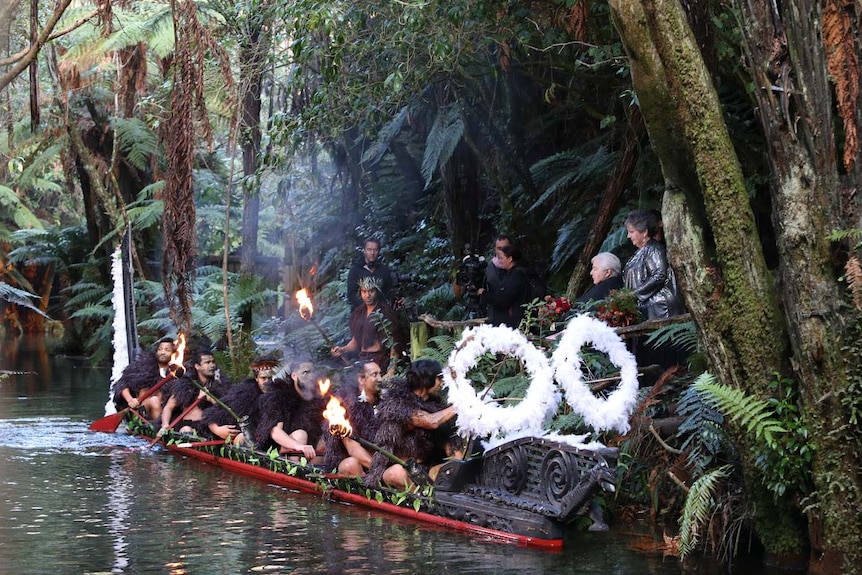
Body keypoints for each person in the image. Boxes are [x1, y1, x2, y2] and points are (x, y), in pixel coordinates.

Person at [364, 359, 458, 490]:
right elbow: (431, 421)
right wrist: (461, 405)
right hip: (394, 467)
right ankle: (424, 498)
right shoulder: (398, 403)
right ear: (427, 380)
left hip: (425, 468)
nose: (441, 384)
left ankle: (434, 494)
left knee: (452, 467)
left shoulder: (436, 405)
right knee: (397, 473)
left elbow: (447, 442)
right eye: (438, 379)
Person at [331, 276, 407, 375]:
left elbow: (394, 345)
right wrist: (342, 349)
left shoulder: (385, 312)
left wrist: (391, 371)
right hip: (362, 360)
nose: (367, 295)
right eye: (364, 291)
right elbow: (356, 341)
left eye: (371, 291)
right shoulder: (359, 313)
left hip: (379, 361)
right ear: (360, 292)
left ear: (377, 292)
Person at [254, 358, 326, 461]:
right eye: (305, 372)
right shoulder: (280, 397)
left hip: (312, 451)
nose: (310, 377)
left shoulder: (319, 398)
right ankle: (295, 471)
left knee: (327, 438)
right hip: (283, 450)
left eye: (312, 373)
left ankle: (313, 473)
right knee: (300, 435)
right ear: (294, 376)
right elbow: (275, 431)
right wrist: (298, 446)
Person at [322, 361, 383, 477]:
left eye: (380, 374)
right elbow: (353, 448)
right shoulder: (345, 405)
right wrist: (380, 471)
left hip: (379, 461)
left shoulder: (386, 403)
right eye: (375, 375)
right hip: (351, 462)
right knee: (351, 464)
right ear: (361, 379)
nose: (380, 379)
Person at [199, 355, 277, 446]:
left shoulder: (280, 394)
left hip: (271, 440)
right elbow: (213, 414)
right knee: (242, 438)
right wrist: (217, 430)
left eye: (270, 378)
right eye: (263, 378)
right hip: (248, 439)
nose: (267, 382)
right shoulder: (243, 395)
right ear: (256, 378)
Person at [622, 209, 685, 319]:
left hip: (660, 308)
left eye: (632, 232)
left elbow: (659, 275)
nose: (628, 236)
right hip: (650, 307)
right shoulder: (642, 251)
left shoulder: (654, 249)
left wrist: (633, 294)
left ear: (644, 232)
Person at [157, 348, 231, 437]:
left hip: (210, 429)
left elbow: (227, 410)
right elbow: (169, 407)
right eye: (207, 363)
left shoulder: (221, 385)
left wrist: (212, 398)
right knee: (186, 430)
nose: (212, 365)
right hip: (187, 427)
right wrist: (165, 424)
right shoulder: (186, 386)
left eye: (213, 362)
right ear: (197, 366)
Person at [111, 335, 175, 421]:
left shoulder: (177, 373)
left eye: (167, 350)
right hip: (142, 409)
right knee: (154, 400)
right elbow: (122, 385)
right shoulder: (142, 367)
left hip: (166, 412)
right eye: (160, 349)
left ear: (174, 354)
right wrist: (130, 400)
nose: (162, 352)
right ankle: (159, 427)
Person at [479, 238, 529, 329]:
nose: (500, 261)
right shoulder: (513, 273)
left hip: (513, 323)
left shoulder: (516, 275)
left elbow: (502, 301)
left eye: (501, 258)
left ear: (510, 259)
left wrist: (484, 294)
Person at [346, 238, 399, 310]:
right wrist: (367, 307)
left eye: (375, 250)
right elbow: (351, 295)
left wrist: (396, 299)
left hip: (381, 311)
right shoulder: (355, 270)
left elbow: (388, 291)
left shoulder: (384, 270)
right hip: (361, 311)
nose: (372, 253)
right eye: (369, 249)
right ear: (364, 251)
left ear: (378, 251)